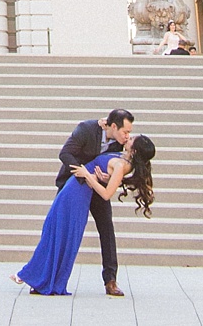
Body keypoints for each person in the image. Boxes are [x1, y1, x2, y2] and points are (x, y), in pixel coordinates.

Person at [14, 133, 156, 297]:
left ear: (135, 151)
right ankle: (42, 278)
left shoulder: (122, 164)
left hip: (82, 188)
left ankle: (40, 277)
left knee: (67, 232)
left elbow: (106, 194)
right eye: (128, 134)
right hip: (78, 187)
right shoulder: (118, 151)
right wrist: (103, 176)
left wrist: (87, 175)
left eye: (131, 139)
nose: (128, 137)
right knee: (56, 228)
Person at [53, 110, 133, 294]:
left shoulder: (122, 145)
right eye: (125, 132)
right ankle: (47, 276)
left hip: (96, 189)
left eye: (129, 132)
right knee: (58, 228)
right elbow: (65, 154)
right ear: (113, 126)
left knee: (106, 229)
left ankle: (110, 280)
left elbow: (118, 170)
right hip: (73, 184)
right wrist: (84, 176)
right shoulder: (87, 129)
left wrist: (105, 179)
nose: (128, 136)